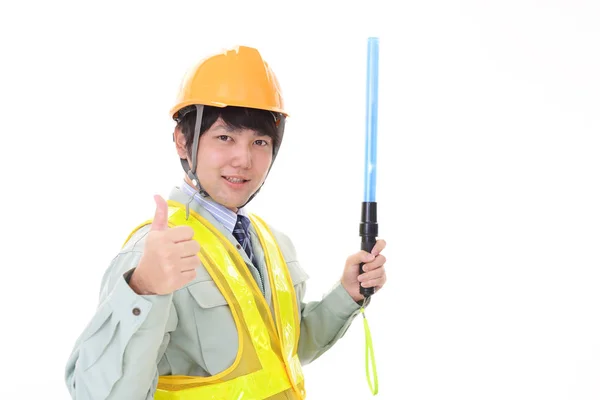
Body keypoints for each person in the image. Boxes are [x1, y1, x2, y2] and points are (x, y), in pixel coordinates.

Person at [64, 45, 388, 400]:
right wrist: (143, 288)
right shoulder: (155, 253)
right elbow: (97, 394)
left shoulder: (272, 242)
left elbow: (278, 356)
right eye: (224, 137)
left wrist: (347, 295)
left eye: (260, 141)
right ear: (183, 141)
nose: (243, 159)